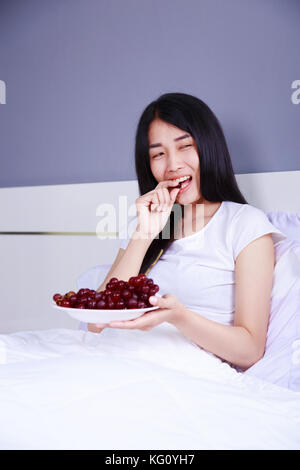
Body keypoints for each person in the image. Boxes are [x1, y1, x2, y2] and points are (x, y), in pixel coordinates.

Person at [87, 92, 286, 371]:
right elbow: (96, 324)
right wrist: (144, 233)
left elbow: (250, 350)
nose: (172, 165)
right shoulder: (145, 225)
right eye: (158, 154)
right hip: (116, 360)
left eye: (185, 146)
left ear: (208, 146)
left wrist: (179, 317)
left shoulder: (244, 224)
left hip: (186, 375)